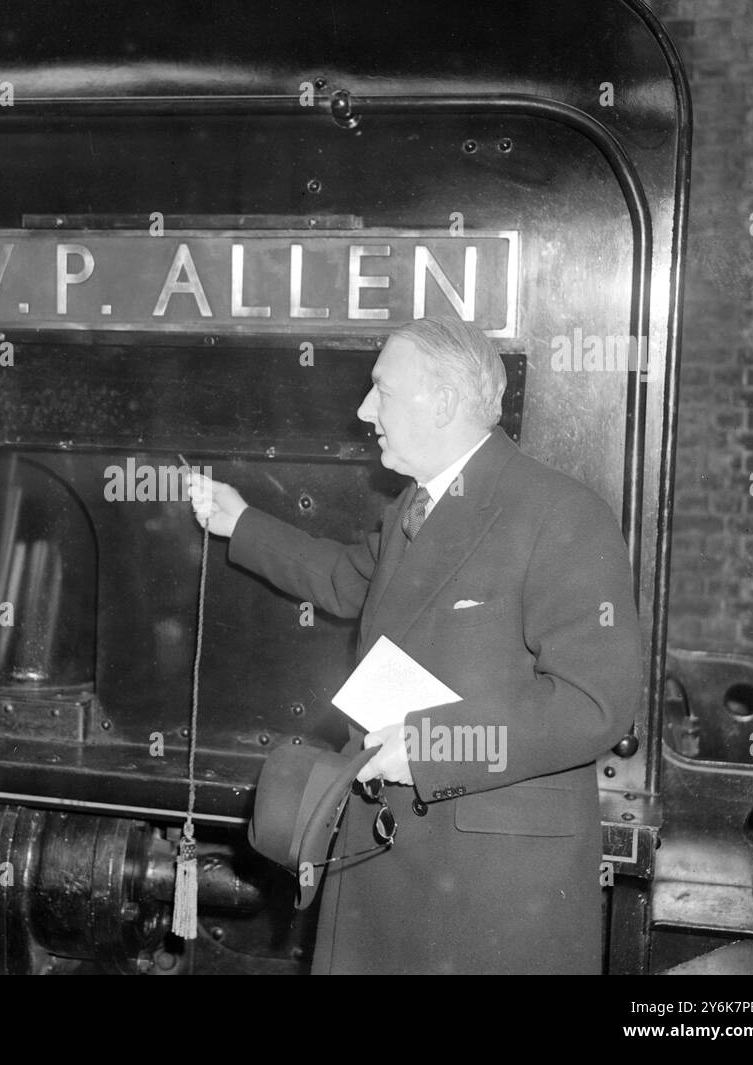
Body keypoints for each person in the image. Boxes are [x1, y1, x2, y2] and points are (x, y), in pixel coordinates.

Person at [188, 315, 641, 974]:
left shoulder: (559, 512)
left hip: (491, 885)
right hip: (393, 855)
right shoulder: (414, 506)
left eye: (382, 390)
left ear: (445, 401)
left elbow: (595, 704)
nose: (363, 409)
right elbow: (346, 579)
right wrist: (241, 523)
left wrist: (433, 745)